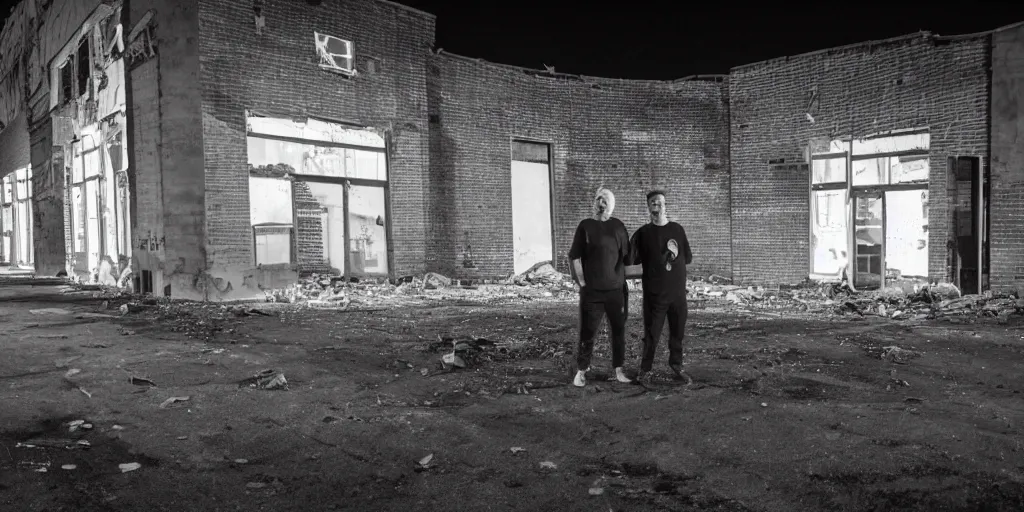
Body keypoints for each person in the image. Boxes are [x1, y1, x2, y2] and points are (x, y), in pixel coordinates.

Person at [568, 187, 632, 387]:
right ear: (593, 203)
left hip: (615, 291)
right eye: (598, 199)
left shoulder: (618, 227)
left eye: (604, 199)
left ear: (611, 205)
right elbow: (574, 256)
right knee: (587, 332)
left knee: (618, 331)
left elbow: (627, 258)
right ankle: (581, 371)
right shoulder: (585, 226)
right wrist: (583, 282)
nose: (600, 203)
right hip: (592, 293)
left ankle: (618, 370)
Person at [629, 190, 693, 384]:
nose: (657, 206)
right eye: (653, 203)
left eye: (660, 203)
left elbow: (687, 258)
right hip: (654, 296)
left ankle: (676, 366)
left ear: (666, 206)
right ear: (648, 207)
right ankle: (645, 371)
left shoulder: (677, 230)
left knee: (677, 334)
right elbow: (630, 259)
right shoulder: (642, 233)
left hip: (677, 295)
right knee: (651, 336)